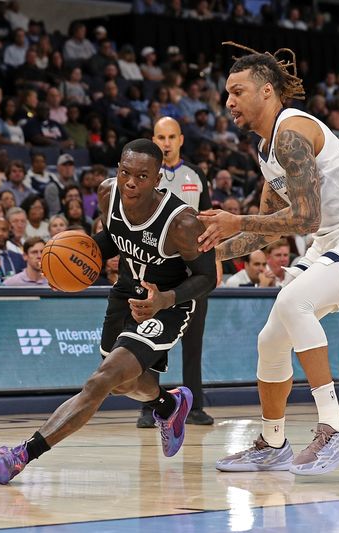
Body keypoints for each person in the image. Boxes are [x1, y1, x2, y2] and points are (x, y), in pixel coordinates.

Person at [199, 44, 339, 475]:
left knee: (296, 303)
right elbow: (263, 228)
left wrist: (235, 220)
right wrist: (206, 252)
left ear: (267, 90)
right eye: (226, 95)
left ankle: (335, 428)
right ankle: (273, 444)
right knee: (271, 339)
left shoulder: (291, 133)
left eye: (237, 91)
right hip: (330, 239)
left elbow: (304, 217)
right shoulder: (264, 149)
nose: (229, 102)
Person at [0, 139, 217, 484]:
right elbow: (112, 239)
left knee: (102, 380)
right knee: (124, 385)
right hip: (125, 292)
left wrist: (163, 300)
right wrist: (66, 264)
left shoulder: (182, 223)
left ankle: (22, 454)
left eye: (142, 176)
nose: (131, 182)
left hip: (167, 304)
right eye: (125, 172)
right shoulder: (109, 194)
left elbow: (207, 277)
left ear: (157, 180)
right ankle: (169, 406)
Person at [137, 116, 215, 428]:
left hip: (193, 272)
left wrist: (215, 261)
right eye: (160, 137)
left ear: (180, 139)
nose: (166, 143)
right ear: (153, 140)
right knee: (150, 341)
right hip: (155, 271)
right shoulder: (144, 178)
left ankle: (194, 406)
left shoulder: (195, 175)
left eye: (171, 137)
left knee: (193, 344)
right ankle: (148, 407)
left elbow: (208, 219)